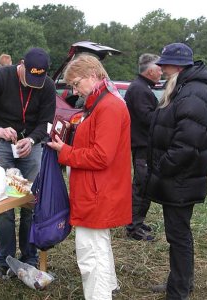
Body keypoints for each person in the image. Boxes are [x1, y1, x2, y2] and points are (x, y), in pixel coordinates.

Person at [47, 54, 132, 300]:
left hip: (98, 192)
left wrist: (66, 151)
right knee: (98, 244)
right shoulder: (99, 102)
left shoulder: (109, 107)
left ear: (93, 76)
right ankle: (109, 287)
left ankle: (100, 295)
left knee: (89, 253)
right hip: (95, 189)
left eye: (76, 83)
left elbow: (101, 156)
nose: (75, 90)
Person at [0, 47, 56, 278]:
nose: (33, 84)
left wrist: (32, 138)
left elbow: (46, 122)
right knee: (4, 203)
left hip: (31, 146)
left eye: (39, 78)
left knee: (31, 202)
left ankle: (29, 256)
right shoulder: (0, 77)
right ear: (21, 64)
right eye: (30, 78)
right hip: (2, 145)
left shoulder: (46, 85)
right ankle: (5, 259)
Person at [146, 43, 207, 299]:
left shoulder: (193, 92)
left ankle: (179, 290)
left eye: (165, 64)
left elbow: (187, 144)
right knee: (177, 234)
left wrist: (162, 168)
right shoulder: (184, 87)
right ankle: (181, 282)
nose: (161, 69)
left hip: (181, 179)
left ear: (177, 65)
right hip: (178, 179)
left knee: (179, 235)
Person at [124, 53, 162, 241]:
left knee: (144, 184)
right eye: (159, 68)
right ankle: (133, 227)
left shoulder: (143, 87)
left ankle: (137, 221)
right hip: (142, 146)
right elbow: (147, 118)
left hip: (144, 144)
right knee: (142, 185)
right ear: (150, 71)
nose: (161, 71)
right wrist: (165, 114)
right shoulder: (140, 90)